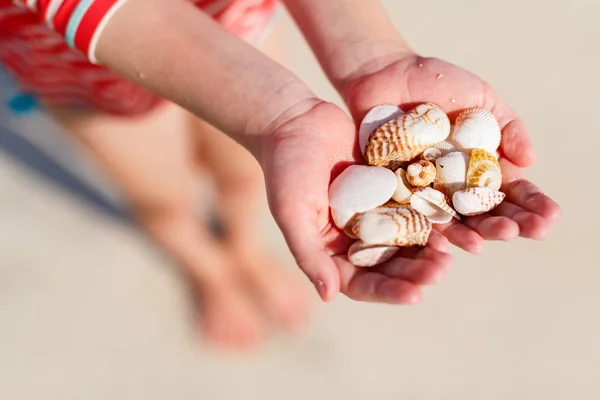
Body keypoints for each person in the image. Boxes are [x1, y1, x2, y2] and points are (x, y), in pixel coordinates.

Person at [0, 0, 561, 351]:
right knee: (162, 198)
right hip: (81, 63)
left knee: (245, 176)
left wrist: (372, 56)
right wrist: (277, 116)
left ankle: (243, 248)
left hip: (236, 19)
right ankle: (210, 268)